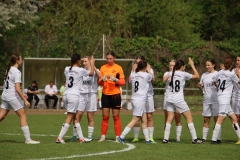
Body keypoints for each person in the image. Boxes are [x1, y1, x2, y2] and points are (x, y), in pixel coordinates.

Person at [0, 54, 40, 144]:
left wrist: (23, 95)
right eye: (21, 59)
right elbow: (17, 88)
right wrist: (25, 100)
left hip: (5, 95)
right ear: (17, 61)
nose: (21, 60)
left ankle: (28, 139)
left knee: (1, 116)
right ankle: (28, 139)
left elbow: (12, 86)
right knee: (23, 115)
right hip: (12, 96)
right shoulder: (17, 72)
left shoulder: (8, 69)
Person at [56, 53, 95, 144]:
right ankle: (59, 137)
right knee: (70, 117)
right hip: (74, 96)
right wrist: (92, 63)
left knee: (75, 117)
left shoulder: (66, 69)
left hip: (66, 95)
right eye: (80, 60)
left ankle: (81, 137)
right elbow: (91, 73)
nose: (81, 62)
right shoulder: (80, 70)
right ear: (78, 61)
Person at [163, 58, 202, 144]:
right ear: (182, 66)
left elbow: (164, 80)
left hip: (169, 98)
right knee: (189, 118)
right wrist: (192, 65)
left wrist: (171, 73)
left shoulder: (171, 72)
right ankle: (194, 139)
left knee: (169, 119)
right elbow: (197, 76)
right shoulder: (183, 74)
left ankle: (165, 139)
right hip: (178, 99)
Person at [118, 61, 154, 143]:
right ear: (144, 67)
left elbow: (130, 79)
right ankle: (122, 136)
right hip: (140, 100)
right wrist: (148, 69)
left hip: (135, 99)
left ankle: (147, 139)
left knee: (144, 120)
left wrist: (133, 70)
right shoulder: (146, 75)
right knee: (135, 119)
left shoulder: (133, 74)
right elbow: (151, 78)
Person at [70, 56, 101, 141]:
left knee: (90, 116)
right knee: (78, 115)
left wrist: (93, 65)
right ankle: (74, 135)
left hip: (91, 95)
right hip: (81, 94)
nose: (84, 63)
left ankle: (90, 136)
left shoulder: (95, 70)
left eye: (86, 61)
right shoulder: (81, 71)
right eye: (83, 61)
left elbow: (100, 76)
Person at [211, 57, 240, 144]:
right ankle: (214, 139)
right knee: (221, 119)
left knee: (234, 118)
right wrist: (238, 74)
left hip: (220, 96)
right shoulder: (231, 74)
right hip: (225, 99)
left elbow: (214, 81)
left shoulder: (219, 72)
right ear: (231, 64)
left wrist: (219, 89)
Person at [98, 51, 126, 142]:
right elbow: (99, 82)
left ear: (114, 58)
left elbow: (123, 82)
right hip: (105, 94)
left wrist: (116, 80)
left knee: (116, 117)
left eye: (110, 58)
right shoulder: (102, 68)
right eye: (107, 59)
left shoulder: (118, 68)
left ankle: (117, 136)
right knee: (105, 117)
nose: (109, 60)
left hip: (115, 95)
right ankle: (103, 136)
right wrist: (102, 80)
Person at [131, 56, 156, 143]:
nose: (137, 64)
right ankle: (136, 137)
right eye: (136, 62)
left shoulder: (149, 70)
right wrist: (133, 70)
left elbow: (153, 80)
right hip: (139, 97)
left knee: (149, 117)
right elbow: (129, 80)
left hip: (148, 95)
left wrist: (148, 70)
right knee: (137, 117)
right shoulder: (135, 70)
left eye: (139, 62)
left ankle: (150, 137)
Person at [197, 59, 221, 143]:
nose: (207, 67)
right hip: (206, 99)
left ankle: (217, 138)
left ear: (213, 65)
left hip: (216, 99)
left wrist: (216, 85)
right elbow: (202, 86)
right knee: (206, 119)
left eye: (209, 65)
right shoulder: (204, 75)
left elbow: (222, 87)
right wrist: (200, 86)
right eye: (206, 65)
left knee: (216, 119)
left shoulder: (218, 74)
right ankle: (204, 138)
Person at [163, 59, 182, 142]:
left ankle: (178, 137)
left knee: (178, 117)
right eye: (170, 65)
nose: (171, 67)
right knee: (167, 118)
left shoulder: (180, 74)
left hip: (177, 97)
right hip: (168, 97)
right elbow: (164, 80)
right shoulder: (167, 73)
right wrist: (171, 73)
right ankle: (166, 137)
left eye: (173, 65)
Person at [232, 55, 240, 126]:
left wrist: (239, 75)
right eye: (236, 60)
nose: (237, 62)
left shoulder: (237, 72)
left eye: (239, 60)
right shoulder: (233, 71)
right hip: (236, 96)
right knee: (236, 117)